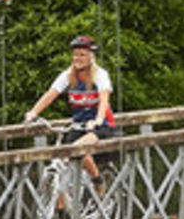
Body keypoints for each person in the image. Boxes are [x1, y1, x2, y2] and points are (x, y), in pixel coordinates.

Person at [23, 34, 115, 188]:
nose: (77, 58)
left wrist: (98, 120)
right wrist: (33, 113)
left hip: (100, 126)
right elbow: (50, 95)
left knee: (78, 150)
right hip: (78, 125)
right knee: (58, 160)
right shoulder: (68, 76)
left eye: (82, 55)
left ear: (91, 57)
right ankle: (60, 210)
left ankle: (98, 181)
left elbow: (104, 99)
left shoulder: (100, 75)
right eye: (75, 55)